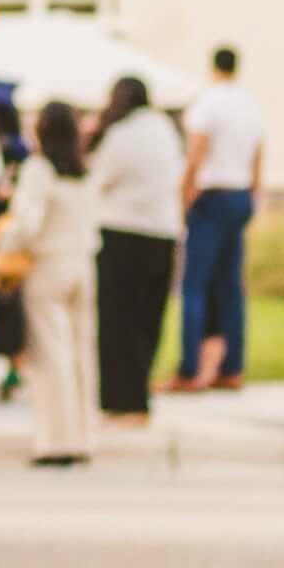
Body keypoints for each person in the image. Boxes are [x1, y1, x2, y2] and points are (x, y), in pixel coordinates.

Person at [0, 96, 104, 467]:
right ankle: (83, 437)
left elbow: (28, 223)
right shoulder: (87, 170)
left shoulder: (39, 169)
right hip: (83, 263)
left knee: (51, 354)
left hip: (48, 264)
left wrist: (2, 246)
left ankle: (55, 442)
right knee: (81, 353)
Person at [168, 43, 265, 392]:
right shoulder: (250, 104)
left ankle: (190, 368)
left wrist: (185, 194)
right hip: (240, 194)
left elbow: (196, 152)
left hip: (212, 196)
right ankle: (232, 367)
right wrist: (254, 191)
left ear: (213, 68)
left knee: (194, 285)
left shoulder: (208, 103)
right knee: (231, 286)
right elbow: (258, 154)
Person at [88, 74, 183, 423]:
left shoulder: (119, 136)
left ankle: (118, 401)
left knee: (116, 322)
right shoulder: (165, 130)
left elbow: (97, 181)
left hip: (121, 232)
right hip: (163, 233)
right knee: (148, 320)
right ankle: (140, 398)